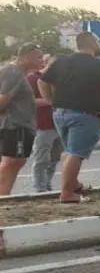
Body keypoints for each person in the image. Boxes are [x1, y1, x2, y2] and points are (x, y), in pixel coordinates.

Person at [38, 32, 100, 203]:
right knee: (76, 153)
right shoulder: (99, 65)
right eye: (97, 42)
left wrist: (50, 101)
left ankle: (73, 185)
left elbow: (42, 82)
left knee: (69, 152)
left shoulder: (61, 62)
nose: (99, 45)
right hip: (85, 114)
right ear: (91, 43)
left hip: (60, 113)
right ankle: (67, 193)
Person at [0, 44, 45, 195]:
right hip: (16, 126)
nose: (42, 60)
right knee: (11, 163)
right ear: (26, 56)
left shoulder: (16, 72)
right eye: (38, 56)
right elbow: (3, 99)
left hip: (17, 126)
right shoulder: (13, 72)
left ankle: (4, 200)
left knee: (14, 163)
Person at [27, 54, 62, 193]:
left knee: (54, 158)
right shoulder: (33, 78)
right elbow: (29, 102)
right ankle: (39, 188)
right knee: (41, 158)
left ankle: (47, 184)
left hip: (59, 123)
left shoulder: (59, 80)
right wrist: (50, 101)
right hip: (43, 124)